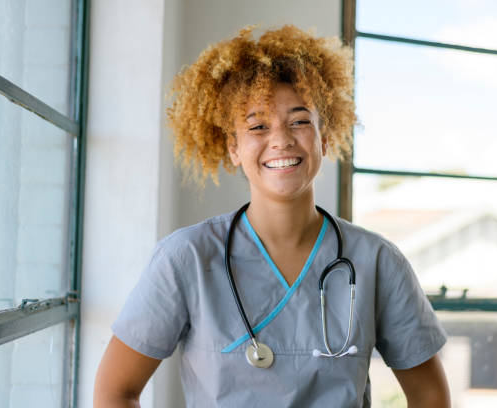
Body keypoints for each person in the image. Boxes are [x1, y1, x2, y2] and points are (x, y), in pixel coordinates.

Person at [94, 25, 450, 407]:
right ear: (233, 148)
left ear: (324, 138)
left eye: (299, 121)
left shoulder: (377, 261)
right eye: (258, 126)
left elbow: (430, 395)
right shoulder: (187, 258)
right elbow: (116, 391)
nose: (280, 139)